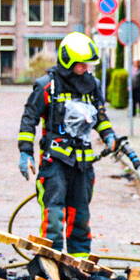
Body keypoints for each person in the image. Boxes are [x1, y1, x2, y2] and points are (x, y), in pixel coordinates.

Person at [17, 32, 117, 258]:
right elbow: (28, 119)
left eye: (87, 64)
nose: (85, 68)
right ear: (68, 61)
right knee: (53, 217)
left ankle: (78, 268)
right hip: (55, 163)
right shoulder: (47, 86)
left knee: (80, 217)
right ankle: (50, 265)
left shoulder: (92, 86)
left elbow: (100, 117)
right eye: (81, 64)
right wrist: (25, 153)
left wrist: (109, 135)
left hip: (83, 164)